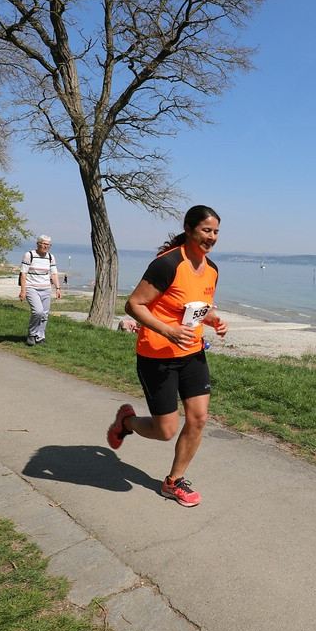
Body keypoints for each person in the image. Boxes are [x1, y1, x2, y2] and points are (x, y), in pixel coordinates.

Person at [106, 205, 228, 507]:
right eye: (206, 230)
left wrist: (213, 319)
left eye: (215, 232)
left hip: (192, 353)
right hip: (157, 355)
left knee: (198, 419)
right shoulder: (167, 264)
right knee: (166, 430)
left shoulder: (211, 268)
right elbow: (134, 305)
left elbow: (197, 306)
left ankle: (173, 482)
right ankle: (127, 423)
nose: (211, 237)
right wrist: (168, 331)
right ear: (188, 229)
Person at [19, 235, 61, 346]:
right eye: (43, 244)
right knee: (38, 311)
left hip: (46, 288)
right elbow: (23, 273)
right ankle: (32, 334)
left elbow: (54, 273)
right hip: (31, 288)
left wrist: (58, 288)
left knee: (45, 314)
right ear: (38, 243)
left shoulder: (51, 257)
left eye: (48, 244)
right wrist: (23, 290)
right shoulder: (29, 255)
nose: (45, 246)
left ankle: (40, 336)